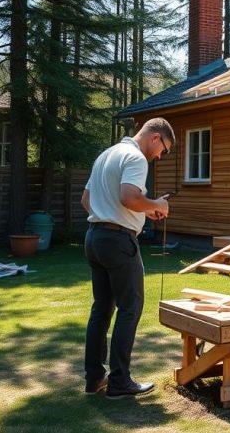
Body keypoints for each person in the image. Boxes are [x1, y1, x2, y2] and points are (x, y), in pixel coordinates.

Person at [81, 118, 174, 399]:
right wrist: (156, 204)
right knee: (130, 308)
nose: (159, 157)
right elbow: (128, 196)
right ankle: (120, 381)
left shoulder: (106, 155)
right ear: (155, 137)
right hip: (118, 242)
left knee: (101, 309)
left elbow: (87, 199)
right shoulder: (136, 157)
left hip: (94, 238)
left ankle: (94, 378)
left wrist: (141, 211)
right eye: (163, 150)